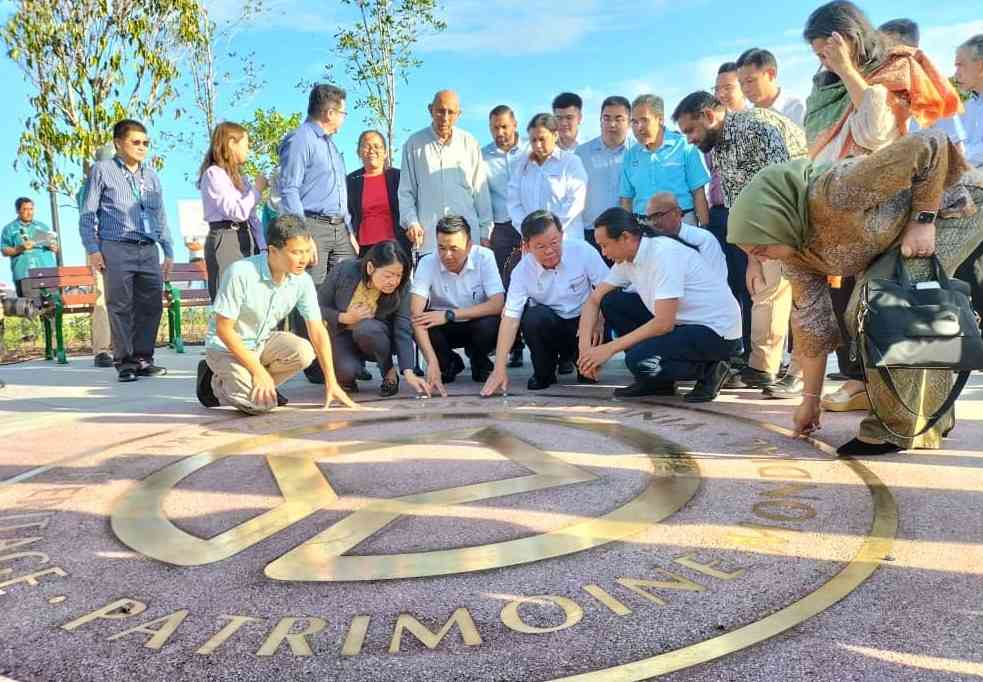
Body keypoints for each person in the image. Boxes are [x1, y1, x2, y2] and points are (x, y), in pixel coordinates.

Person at [728, 130, 983, 455]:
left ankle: (893, 429)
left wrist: (922, 220)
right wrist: (810, 401)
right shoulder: (794, 252)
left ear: (777, 220)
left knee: (883, 306)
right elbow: (814, 327)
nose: (761, 258)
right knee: (891, 310)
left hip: (952, 202)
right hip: (893, 232)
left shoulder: (835, 191)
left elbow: (930, 144)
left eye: (761, 247)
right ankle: (930, 421)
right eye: (753, 253)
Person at [802, 0, 961, 409]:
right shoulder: (825, 86)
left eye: (827, 52)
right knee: (846, 300)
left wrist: (847, 70)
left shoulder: (894, 68)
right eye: (818, 55)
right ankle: (863, 384)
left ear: (849, 39)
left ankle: (906, 398)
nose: (822, 62)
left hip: (899, 203)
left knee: (890, 299)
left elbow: (877, 134)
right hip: (841, 205)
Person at [673, 90, 808, 393]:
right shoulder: (717, 149)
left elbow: (786, 181)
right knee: (764, 289)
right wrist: (753, 256)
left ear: (709, 115)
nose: (689, 139)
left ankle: (798, 373)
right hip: (766, 226)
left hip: (799, 218)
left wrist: (780, 240)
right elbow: (738, 204)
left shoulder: (757, 125)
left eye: (690, 130)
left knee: (802, 299)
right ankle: (763, 369)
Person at [196, 214, 355, 414]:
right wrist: (259, 372)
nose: (304, 259)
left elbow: (317, 329)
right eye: (296, 252)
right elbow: (223, 330)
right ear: (273, 251)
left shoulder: (302, 280)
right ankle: (212, 384)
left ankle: (258, 385)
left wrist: (332, 382)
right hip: (225, 348)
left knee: (304, 352)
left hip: (260, 343)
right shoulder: (241, 273)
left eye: (307, 251)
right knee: (259, 406)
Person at [579, 207, 742, 402]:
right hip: (685, 324)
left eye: (605, 246)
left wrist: (609, 349)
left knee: (638, 361)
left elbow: (664, 323)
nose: (604, 253)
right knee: (613, 301)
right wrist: (586, 353)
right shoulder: (626, 261)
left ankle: (712, 369)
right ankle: (656, 382)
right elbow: (593, 299)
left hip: (716, 332)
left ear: (625, 237)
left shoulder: (663, 254)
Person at [79, 119, 173, 382]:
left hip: (148, 248)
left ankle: (144, 359)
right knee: (120, 305)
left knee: (151, 305)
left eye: (146, 143)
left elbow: (160, 216)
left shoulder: (151, 175)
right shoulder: (102, 170)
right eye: (136, 142)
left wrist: (168, 250)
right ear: (118, 143)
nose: (142, 147)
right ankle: (125, 363)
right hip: (116, 247)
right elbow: (88, 213)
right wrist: (93, 249)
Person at [480, 210, 608, 395]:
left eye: (554, 243)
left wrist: (600, 318)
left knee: (588, 377)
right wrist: (499, 368)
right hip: (551, 325)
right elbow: (510, 318)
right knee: (533, 317)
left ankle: (584, 363)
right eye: (540, 246)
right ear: (527, 246)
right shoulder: (522, 272)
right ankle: (544, 372)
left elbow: (608, 288)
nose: (549, 251)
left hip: (585, 326)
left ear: (562, 236)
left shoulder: (583, 251)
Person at [279, 83, 356, 384]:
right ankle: (313, 363)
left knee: (345, 292)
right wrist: (302, 234)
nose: (344, 118)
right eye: (344, 112)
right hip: (312, 226)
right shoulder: (301, 139)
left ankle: (342, 360)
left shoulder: (330, 144)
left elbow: (337, 192)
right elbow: (289, 187)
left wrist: (348, 228)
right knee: (311, 293)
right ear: (330, 112)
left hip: (340, 229)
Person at [318, 240, 430, 397]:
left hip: (377, 338)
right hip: (342, 334)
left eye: (398, 275)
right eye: (388, 275)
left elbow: (402, 329)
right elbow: (317, 308)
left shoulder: (403, 287)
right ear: (370, 268)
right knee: (346, 371)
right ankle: (352, 372)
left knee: (366, 328)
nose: (393, 281)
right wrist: (344, 317)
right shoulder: (344, 270)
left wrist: (409, 372)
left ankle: (388, 371)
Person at [410, 215, 504, 393]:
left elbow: (498, 303)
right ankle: (448, 363)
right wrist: (432, 362)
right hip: (443, 327)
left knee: (494, 322)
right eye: (441, 248)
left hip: (476, 322)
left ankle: (479, 360)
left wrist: (450, 314)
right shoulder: (427, 262)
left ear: (469, 246)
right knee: (422, 322)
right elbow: (415, 313)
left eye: (454, 248)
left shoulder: (485, 257)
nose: (447, 255)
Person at [398, 90, 493, 255]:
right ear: (430, 110)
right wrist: (412, 222)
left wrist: (485, 232)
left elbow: (480, 190)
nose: (445, 117)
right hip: (429, 241)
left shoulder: (469, 143)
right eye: (440, 111)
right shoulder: (414, 144)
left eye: (451, 112)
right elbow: (406, 192)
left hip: (466, 241)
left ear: (459, 114)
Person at [199, 121, 268, 302]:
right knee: (229, 296)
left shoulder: (240, 177)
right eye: (245, 145)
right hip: (226, 236)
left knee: (249, 298)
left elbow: (251, 216)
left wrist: (262, 246)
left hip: (247, 236)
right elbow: (237, 211)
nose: (248, 150)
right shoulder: (214, 174)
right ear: (231, 143)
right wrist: (257, 190)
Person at [620, 94, 710, 227]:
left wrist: (705, 228)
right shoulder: (630, 155)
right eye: (634, 122)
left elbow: (698, 192)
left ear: (660, 119)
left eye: (644, 120)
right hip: (643, 227)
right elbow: (626, 200)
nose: (639, 127)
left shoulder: (684, 145)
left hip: (682, 222)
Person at [879, 18, 968, 152]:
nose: (877, 51)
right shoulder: (877, 86)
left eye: (881, 43)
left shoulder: (936, 89)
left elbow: (956, 148)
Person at [482, 104, 527, 368]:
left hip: (529, 227)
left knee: (533, 283)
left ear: (515, 125)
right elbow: (482, 193)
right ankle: (514, 346)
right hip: (500, 227)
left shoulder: (531, 151)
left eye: (504, 126)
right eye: (494, 128)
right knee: (504, 288)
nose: (500, 132)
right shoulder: (482, 156)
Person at [507, 113, 589, 242]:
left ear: (555, 136)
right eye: (533, 140)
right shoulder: (522, 165)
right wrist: (528, 232)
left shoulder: (571, 162)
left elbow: (575, 201)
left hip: (566, 240)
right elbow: (513, 203)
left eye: (542, 139)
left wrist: (549, 232)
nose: (538, 145)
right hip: (533, 242)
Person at [576, 95, 633, 255]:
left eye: (618, 119)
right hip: (591, 235)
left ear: (629, 122)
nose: (612, 124)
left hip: (626, 235)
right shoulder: (581, 154)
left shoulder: (638, 152)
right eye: (606, 118)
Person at [78, 143, 117, 367]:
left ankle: (123, 347)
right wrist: (94, 250)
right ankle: (102, 350)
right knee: (102, 296)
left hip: (121, 245)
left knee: (122, 296)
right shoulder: (88, 187)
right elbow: (88, 219)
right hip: (99, 246)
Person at [954, 34, 983, 325]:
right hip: (970, 195)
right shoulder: (968, 106)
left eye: (961, 66)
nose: (955, 73)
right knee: (967, 265)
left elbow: (970, 153)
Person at [346, 130, 410, 257]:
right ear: (358, 152)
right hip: (362, 248)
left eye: (377, 146)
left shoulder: (399, 177)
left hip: (395, 246)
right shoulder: (350, 181)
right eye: (366, 146)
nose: (371, 150)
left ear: (385, 153)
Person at [2, 198, 58, 297]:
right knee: (31, 307)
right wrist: (20, 248)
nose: (29, 212)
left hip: (47, 271)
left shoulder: (43, 226)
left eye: (31, 209)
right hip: (25, 273)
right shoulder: (9, 229)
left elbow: (55, 247)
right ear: (17, 211)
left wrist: (53, 246)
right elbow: (4, 251)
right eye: (25, 209)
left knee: (53, 306)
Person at [736, 48, 806, 125]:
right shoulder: (744, 119)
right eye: (741, 83)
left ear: (771, 73)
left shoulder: (798, 110)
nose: (745, 89)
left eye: (750, 81)